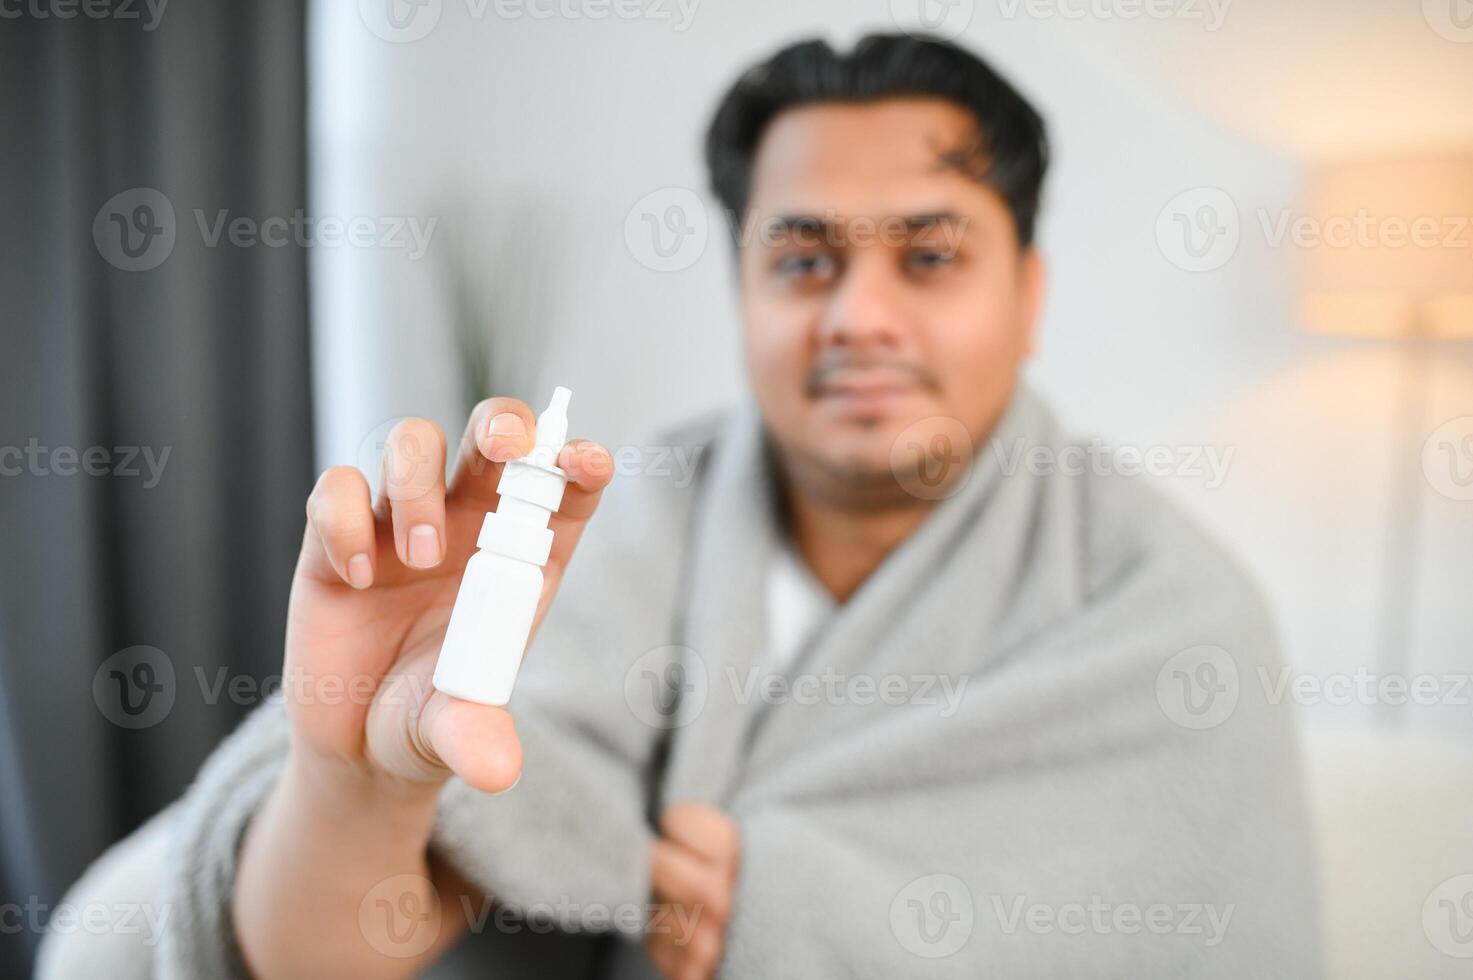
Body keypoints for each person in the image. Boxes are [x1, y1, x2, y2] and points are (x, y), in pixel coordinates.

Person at [38, 33, 1322, 980]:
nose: (859, 314)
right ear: (743, 289)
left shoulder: (1172, 612)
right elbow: (302, 952)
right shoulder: (610, 535)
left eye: (929, 256)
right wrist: (353, 772)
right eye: (802, 258)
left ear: (1029, 293)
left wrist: (808, 909)